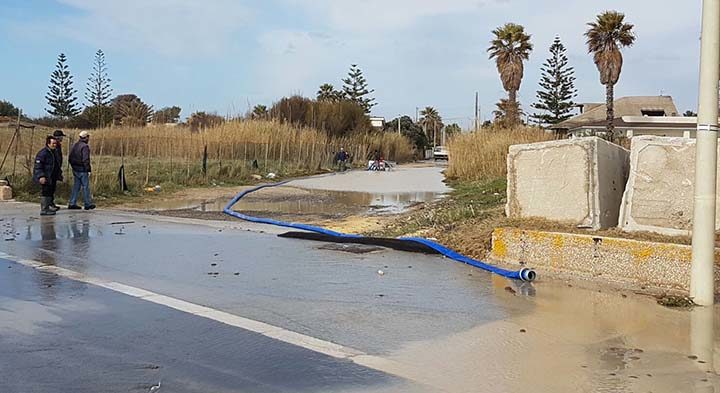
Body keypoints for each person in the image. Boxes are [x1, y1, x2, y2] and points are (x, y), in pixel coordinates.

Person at [33, 135, 63, 216]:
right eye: (53, 143)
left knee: (51, 191)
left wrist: (59, 174)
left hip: (52, 176)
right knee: (45, 192)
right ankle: (44, 209)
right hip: (46, 176)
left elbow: (56, 164)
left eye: (55, 143)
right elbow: (38, 166)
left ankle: (48, 206)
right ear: (48, 144)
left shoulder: (54, 152)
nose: (55, 145)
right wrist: (41, 176)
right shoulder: (43, 153)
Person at [68, 131, 95, 210]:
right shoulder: (85, 146)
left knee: (76, 186)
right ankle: (87, 203)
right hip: (82, 169)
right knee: (85, 187)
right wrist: (88, 169)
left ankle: (72, 202)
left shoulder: (75, 145)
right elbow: (85, 159)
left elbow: (70, 157)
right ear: (86, 137)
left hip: (75, 169)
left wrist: (73, 166)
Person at [50, 129, 66, 211]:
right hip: (53, 170)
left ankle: (51, 203)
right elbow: (56, 158)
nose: (62, 138)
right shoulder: (55, 146)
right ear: (58, 137)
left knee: (53, 187)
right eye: (61, 137)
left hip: (56, 169)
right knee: (51, 187)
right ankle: (49, 204)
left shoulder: (58, 145)